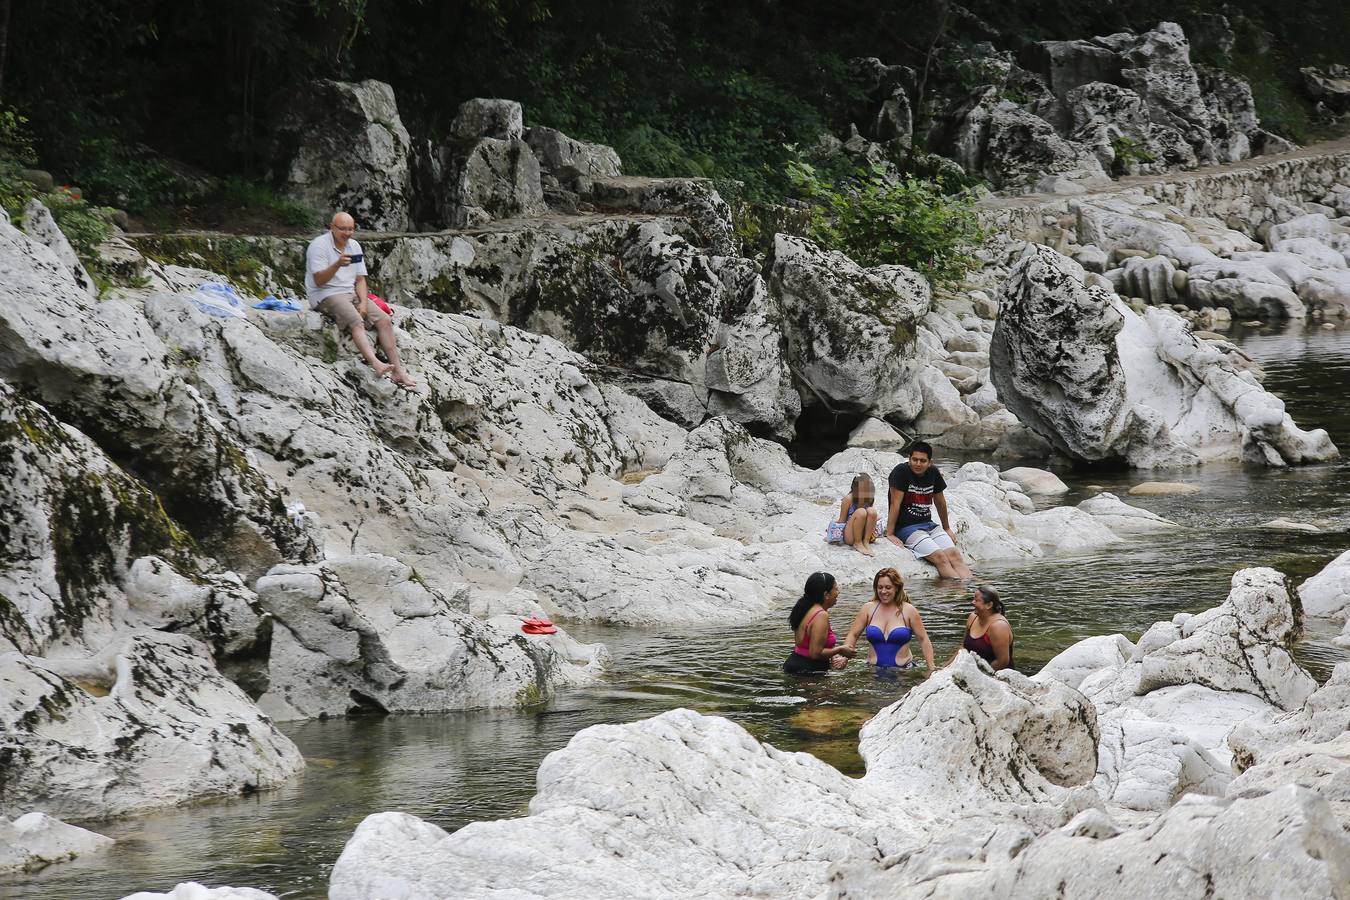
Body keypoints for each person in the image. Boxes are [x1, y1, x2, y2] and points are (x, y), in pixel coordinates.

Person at [306, 211, 417, 388]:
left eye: (351, 229)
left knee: (384, 320)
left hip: (350, 292)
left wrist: (364, 302)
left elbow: (360, 279)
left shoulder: (354, 246)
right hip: (325, 294)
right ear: (332, 228)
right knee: (356, 321)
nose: (347, 233)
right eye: (343, 229)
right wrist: (336, 265)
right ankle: (376, 364)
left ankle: (398, 370)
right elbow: (319, 281)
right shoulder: (318, 246)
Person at [885, 441, 972, 579]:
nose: (918, 464)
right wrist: (890, 533)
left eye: (922, 461)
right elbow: (895, 504)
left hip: (928, 525)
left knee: (955, 555)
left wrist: (947, 527)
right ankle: (958, 594)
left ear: (930, 462)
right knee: (941, 558)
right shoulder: (900, 472)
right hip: (907, 528)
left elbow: (940, 501)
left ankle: (972, 589)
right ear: (909, 459)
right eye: (914, 460)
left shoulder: (933, 473)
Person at [842, 567, 935, 672]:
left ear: (896, 588)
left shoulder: (909, 610)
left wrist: (931, 668)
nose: (883, 591)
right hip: (873, 671)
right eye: (880, 587)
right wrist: (844, 657)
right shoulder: (868, 608)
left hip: (903, 673)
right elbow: (853, 635)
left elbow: (923, 639)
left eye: (888, 587)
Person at [784, 572, 857, 674]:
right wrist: (840, 650)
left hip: (797, 665)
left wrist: (831, 654)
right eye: (835, 589)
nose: (838, 592)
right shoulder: (820, 615)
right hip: (808, 671)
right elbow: (815, 653)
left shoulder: (805, 608)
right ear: (826, 595)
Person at [946, 585, 1014, 670]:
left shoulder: (998, 626)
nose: (972, 602)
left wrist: (980, 675)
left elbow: (1002, 661)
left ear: (989, 605)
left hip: (996, 676)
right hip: (972, 671)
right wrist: (945, 667)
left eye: (977, 600)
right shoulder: (972, 618)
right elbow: (963, 648)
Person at [826, 473, 883, 556]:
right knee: (861, 512)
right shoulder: (849, 499)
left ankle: (866, 542)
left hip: (863, 532)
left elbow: (871, 517)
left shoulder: (869, 498)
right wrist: (833, 536)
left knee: (872, 511)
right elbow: (842, 520)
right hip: (850, 534)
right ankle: (857, 543)